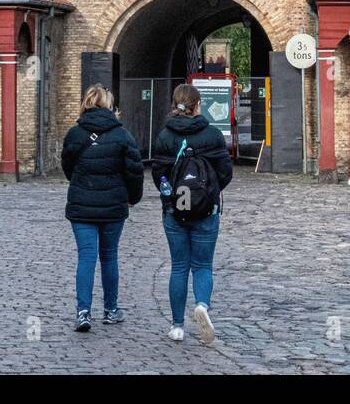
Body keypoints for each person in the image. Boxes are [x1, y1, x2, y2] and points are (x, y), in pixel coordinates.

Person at [150, 83, 233, 344]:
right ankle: (202, 306)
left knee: (179, 266)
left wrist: (168, 198)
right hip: (206, 211)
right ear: (198, 105)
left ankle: (176, 326)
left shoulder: (165, 135)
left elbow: (159, 174)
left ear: (175, 104)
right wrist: (209, 192)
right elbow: (225, 172)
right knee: (203, 265)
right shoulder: (212, 134)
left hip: (175, 211)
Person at [61, 84, 143, 332]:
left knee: (86, 257)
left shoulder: (75, 135)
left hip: (81, 205)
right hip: (113, 205)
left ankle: (83, 312)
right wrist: (133, 197)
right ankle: (110, 309)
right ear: (109, 105)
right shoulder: (122, 135)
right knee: (109, 256)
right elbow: (135, 171)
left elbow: (68, 167)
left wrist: (80, 182)